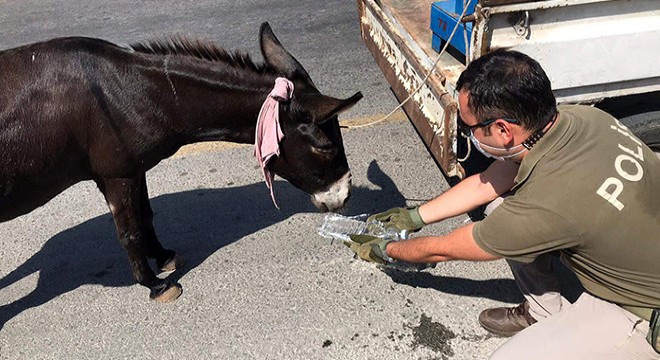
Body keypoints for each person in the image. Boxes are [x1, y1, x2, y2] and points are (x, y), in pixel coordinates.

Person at [345, 49, 660, 359]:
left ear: (502, 130)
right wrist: (413, 217)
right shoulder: (583, 118)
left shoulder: (545, 206)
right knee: (498, 208)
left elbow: (443, 249)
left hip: (644, 312)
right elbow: (496, 179)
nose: (468, 135)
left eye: (469, 127)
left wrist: (385, 250)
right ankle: (542, 311)